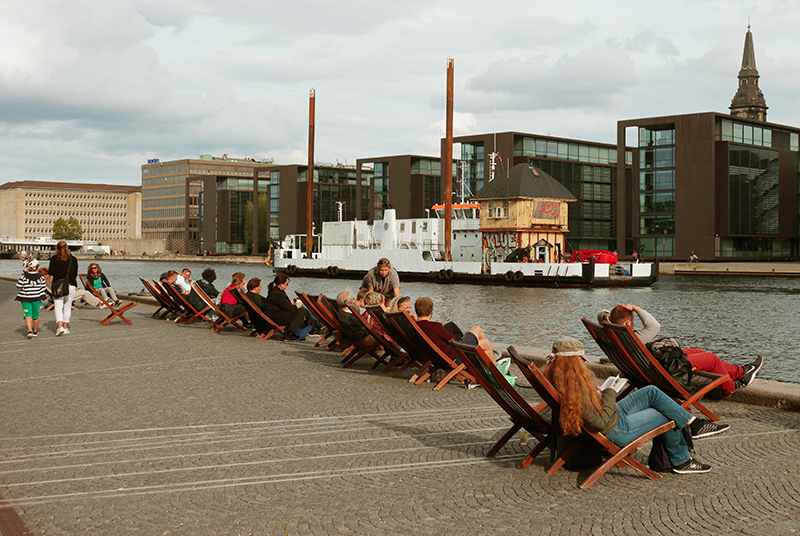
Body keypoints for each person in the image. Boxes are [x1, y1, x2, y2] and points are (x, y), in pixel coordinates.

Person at [543, 337, 725, 474]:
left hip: (608, 416)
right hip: (616, 429)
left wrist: (600, 396)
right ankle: (681, 461)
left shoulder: (558, 378)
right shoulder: (576, 387)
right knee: (666, 412)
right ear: (575, 362)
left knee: (651, 391)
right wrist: (608, 394)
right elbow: (601, 424)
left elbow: (590, 413)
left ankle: (694, 424)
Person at [608, 303, 763, 396]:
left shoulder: (613, 336)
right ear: (628, 323)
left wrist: (610, 320)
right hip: (668, 370)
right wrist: (636, 308)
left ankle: (741, 372)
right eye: (633, 320)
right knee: (712, 359)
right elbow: (655, 326)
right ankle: (729, 388)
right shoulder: (633, 338)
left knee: (697, 351)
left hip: (655, 366)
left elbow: (601, 314)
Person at [414, 296, 501, 366]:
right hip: (453, 357)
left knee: (483, 343)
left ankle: (490, 360)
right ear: (432, 311)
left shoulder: (413, 328)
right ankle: (495, 368)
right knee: (478, 332)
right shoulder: (435, 327)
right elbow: (453, 340)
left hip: (435, 358)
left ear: (417, 311)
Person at [249, 275, 318, 341]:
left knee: (304, 310)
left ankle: (313, 330)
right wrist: (297, 306)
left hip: (276, 313)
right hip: (274, 315)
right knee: (298, 314)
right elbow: (289, 309)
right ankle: (290, 334)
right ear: (281, 284)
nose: (287, 286)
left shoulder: (277, 291)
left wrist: (293, 301)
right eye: (286, 284)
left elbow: (284, 304)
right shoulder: (277, 294)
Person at [49, 240, 78, 336]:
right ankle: (65, 328)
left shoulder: (54, 259)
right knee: (67, 306)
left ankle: (60, 326)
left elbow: (51, 272)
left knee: (58, 306)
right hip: (71, 285)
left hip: (59, 285)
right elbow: (75, 273)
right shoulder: (73, 259)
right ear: (67, 248)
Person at [16, 258, 46, 338]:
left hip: (25, 298)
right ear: (37, 267)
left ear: (28, 268)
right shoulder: (41, 277)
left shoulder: (23, 277)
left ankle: (29, 331)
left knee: (27, 314)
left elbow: (18, 286)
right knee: (35, 315)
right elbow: (43, 287)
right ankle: (35, 330)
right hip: (36, 298)